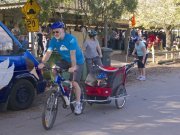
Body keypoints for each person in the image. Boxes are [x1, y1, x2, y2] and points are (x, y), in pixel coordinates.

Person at [38, 21, 84, 115]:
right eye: (53, 32)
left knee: (74, 83)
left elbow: (72, 54)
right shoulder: (54, 40)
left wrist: (73, 67)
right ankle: (59, 87)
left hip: (77, 61)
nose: (55, 34)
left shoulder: (71, 39)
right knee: (54, 69)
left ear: (63, 30)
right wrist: (42, 62)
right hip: (65, 60)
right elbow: (48, 52)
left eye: (57, 32)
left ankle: (78, 103)